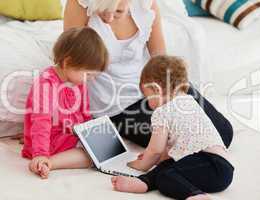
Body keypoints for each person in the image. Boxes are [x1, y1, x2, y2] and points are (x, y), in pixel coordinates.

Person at [64, 0, 233, 149]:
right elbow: (72, 64)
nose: (109, 18)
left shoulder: (146, 4)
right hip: (117, 105)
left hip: (153, 88)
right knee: (187, 141)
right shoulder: (80, 4)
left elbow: (160, 58)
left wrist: (170, 94)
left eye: (118, 11)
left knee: (223, 132)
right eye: (105, 13)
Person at [111, 56, 234, 200]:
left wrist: (139, 165)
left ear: (156, 89)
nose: (148, 103)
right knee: (167, 165)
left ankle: (196, 195)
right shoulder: (190, 102)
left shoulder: (161, 112)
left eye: (148, 96)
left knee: (166, 175)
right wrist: (158, 159)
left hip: (209, 165)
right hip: (221, 168)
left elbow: (155, 151)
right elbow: (173, 151)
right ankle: (144, 183)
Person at [22, 27, 109, 179]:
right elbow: (41, 122)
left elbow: (85, 114)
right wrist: (40, 154)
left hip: (69, 135)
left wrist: (89, 135)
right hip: (49, 142)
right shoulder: (46, 84)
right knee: (90, 156)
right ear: (68, 62)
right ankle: (48, 162)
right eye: (89, 74)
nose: (91, 79)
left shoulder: (79, 83)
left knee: (105, 144)